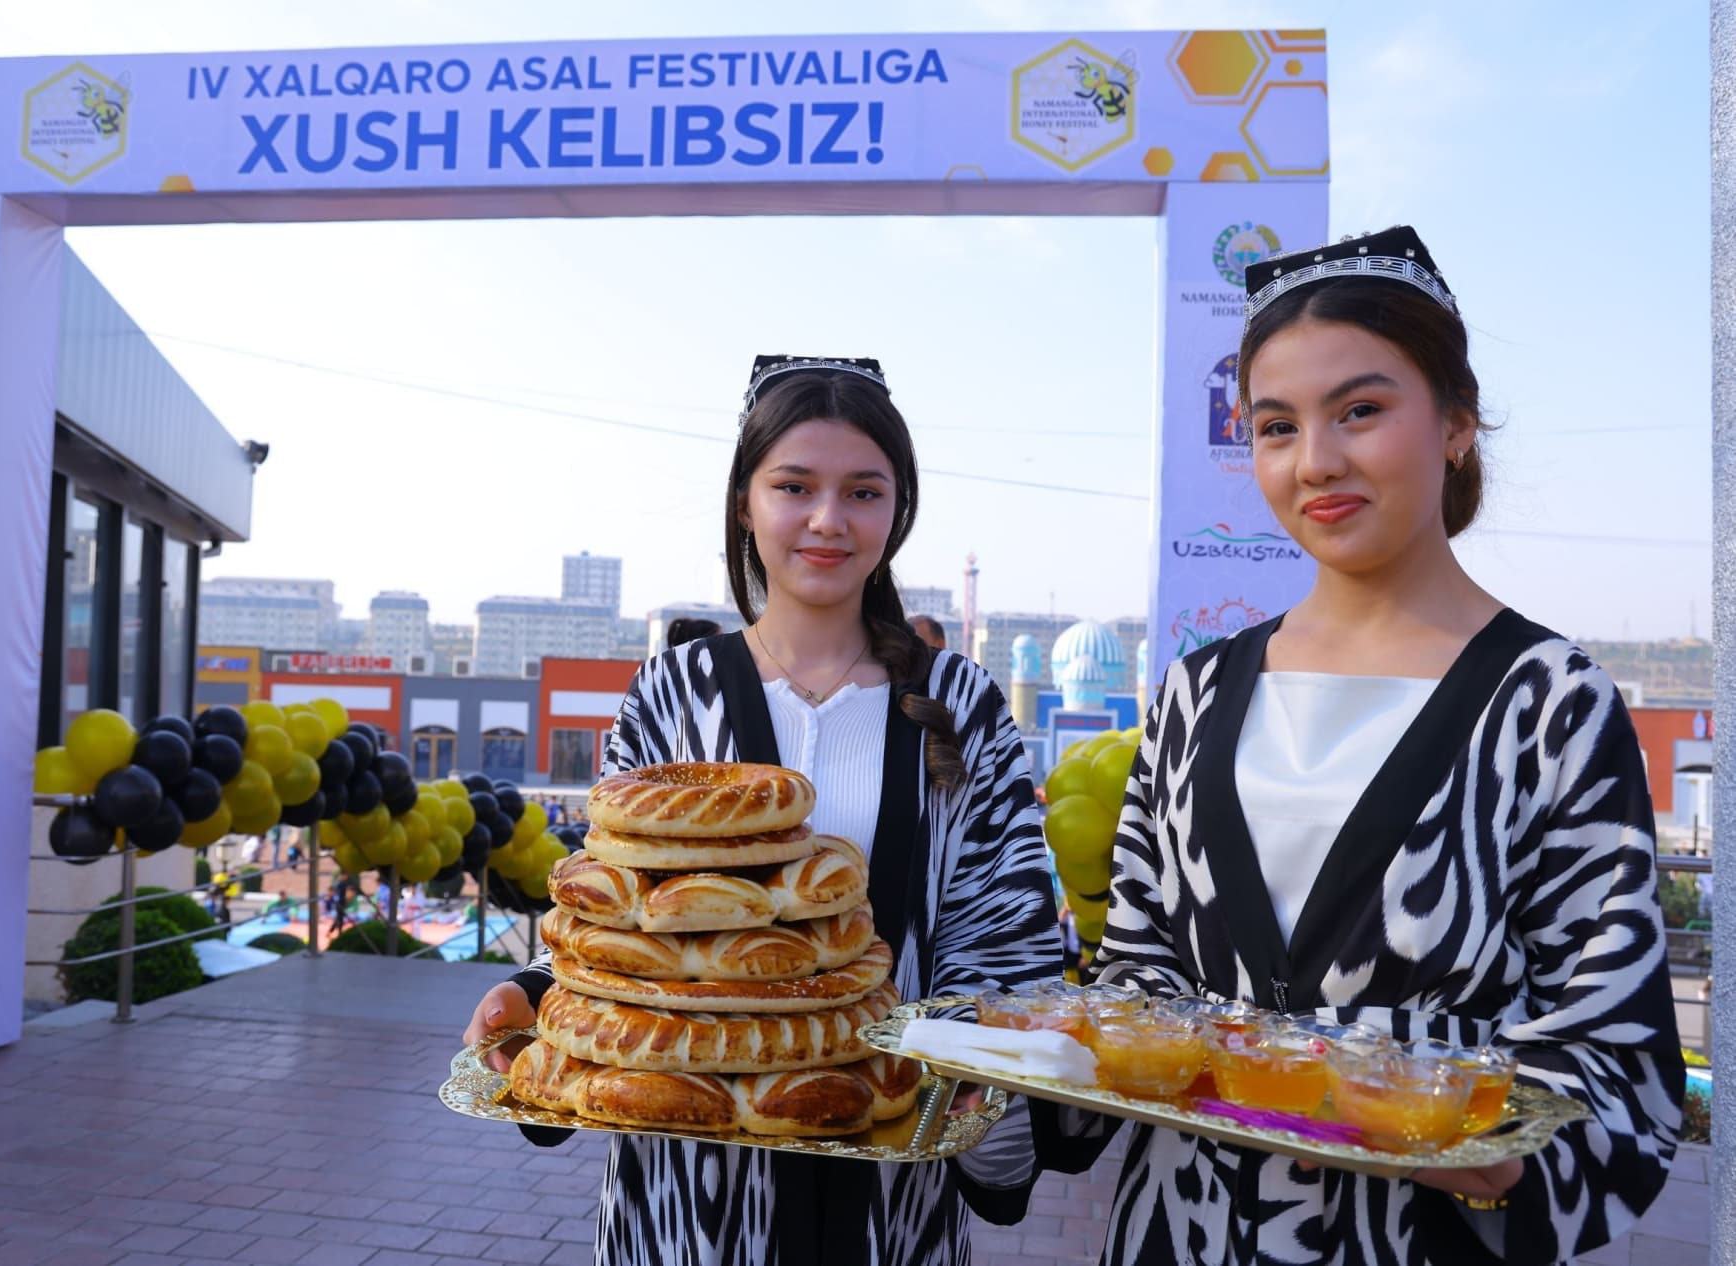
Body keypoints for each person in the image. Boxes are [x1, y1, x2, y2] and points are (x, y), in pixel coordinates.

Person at [1050, 227, 1683, 1263]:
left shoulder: (1548, 701)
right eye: (1276, 426)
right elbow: (1139, 971)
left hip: (1417, 1238)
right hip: (1181, 1225)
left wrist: (1497, 1159)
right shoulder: (1195, 692)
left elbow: (1612, 1039)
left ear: (1456, 423)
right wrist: (1033, 1052)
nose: (1316, 462)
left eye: (1360, 411)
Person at [464, 355, 1065, 1265]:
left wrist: (985, 1095)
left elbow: (1003, 944)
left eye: (863, 492)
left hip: (890, 1194)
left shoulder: (962, 704)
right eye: (794, 487)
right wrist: (537, 998)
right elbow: (618, 918)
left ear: (898, 511)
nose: (828, 520)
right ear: (745, 503)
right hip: (684, 1198)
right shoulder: (672, 693)